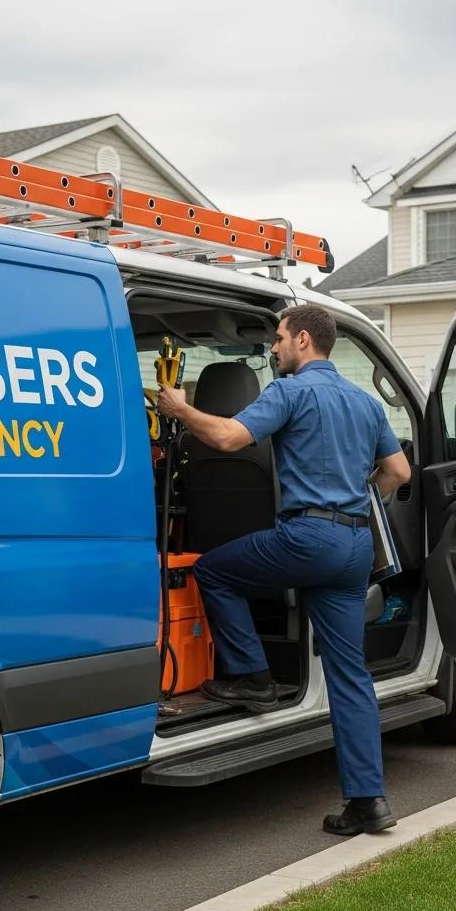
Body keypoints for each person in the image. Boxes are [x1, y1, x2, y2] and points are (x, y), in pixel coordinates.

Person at [156, 305, 412, 836]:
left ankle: (253, 676)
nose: (272, 350)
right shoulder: (364, 403)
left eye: (276, 341)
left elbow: (227, 438)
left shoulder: (290, 392)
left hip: (308, 537)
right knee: (349, 676)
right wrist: (362, 504)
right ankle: (369, 801)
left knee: (214, 571)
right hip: (353, 545)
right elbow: (398, 471)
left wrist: (181, 411)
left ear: (302, 340)